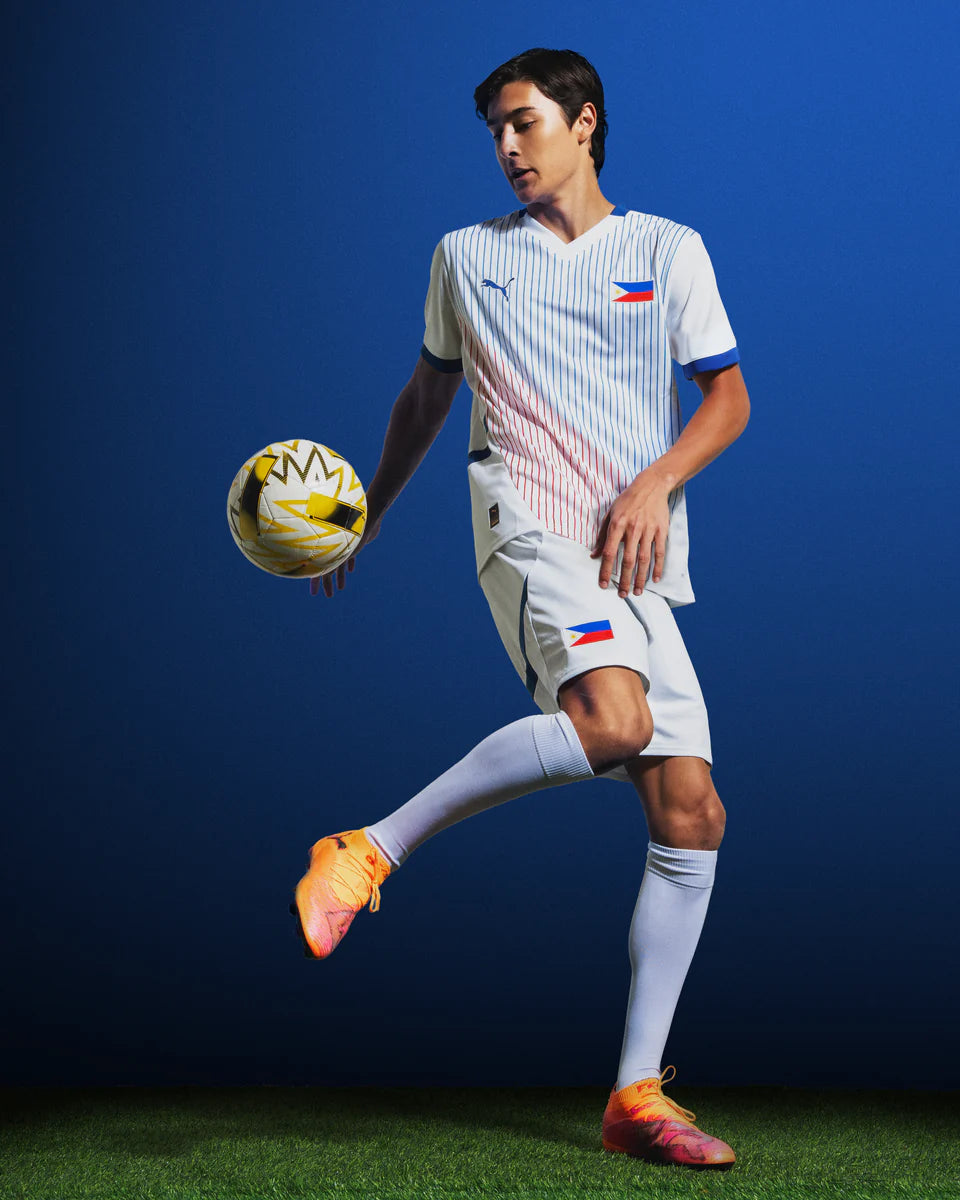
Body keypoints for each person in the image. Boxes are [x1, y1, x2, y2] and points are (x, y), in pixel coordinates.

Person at [292, 47, 750, 1169]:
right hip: (529, 526)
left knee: (691, 811)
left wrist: (658, 481)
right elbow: (427, 393)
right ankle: (366, 849)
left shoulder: (667, 250)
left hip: (632, 547)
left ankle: (634, 1097)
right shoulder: (466, 256)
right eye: (494, 129)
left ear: (584, 123)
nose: (505, 146)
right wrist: (369, 510)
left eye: (524, 122)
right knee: (614, 723)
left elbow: (728, 397)